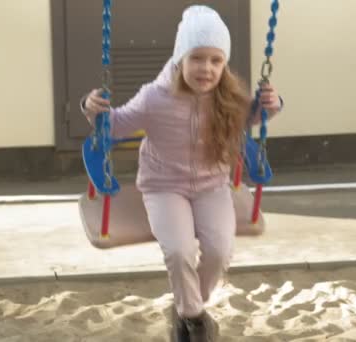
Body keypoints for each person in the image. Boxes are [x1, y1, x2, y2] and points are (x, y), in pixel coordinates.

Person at [81, 5, 283, 341]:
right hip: (163, 187)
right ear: (180, 59)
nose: (206, 69)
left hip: (212, 186)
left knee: (219, 251)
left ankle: (186, 308)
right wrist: (90, 108)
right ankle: (195, 319)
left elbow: (253, 117)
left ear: (224, 64)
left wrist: (273, 105)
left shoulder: (229, 98)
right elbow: (113, 126)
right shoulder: (154, 98)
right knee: (178, 251)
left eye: (215, 60)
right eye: (197, 58)